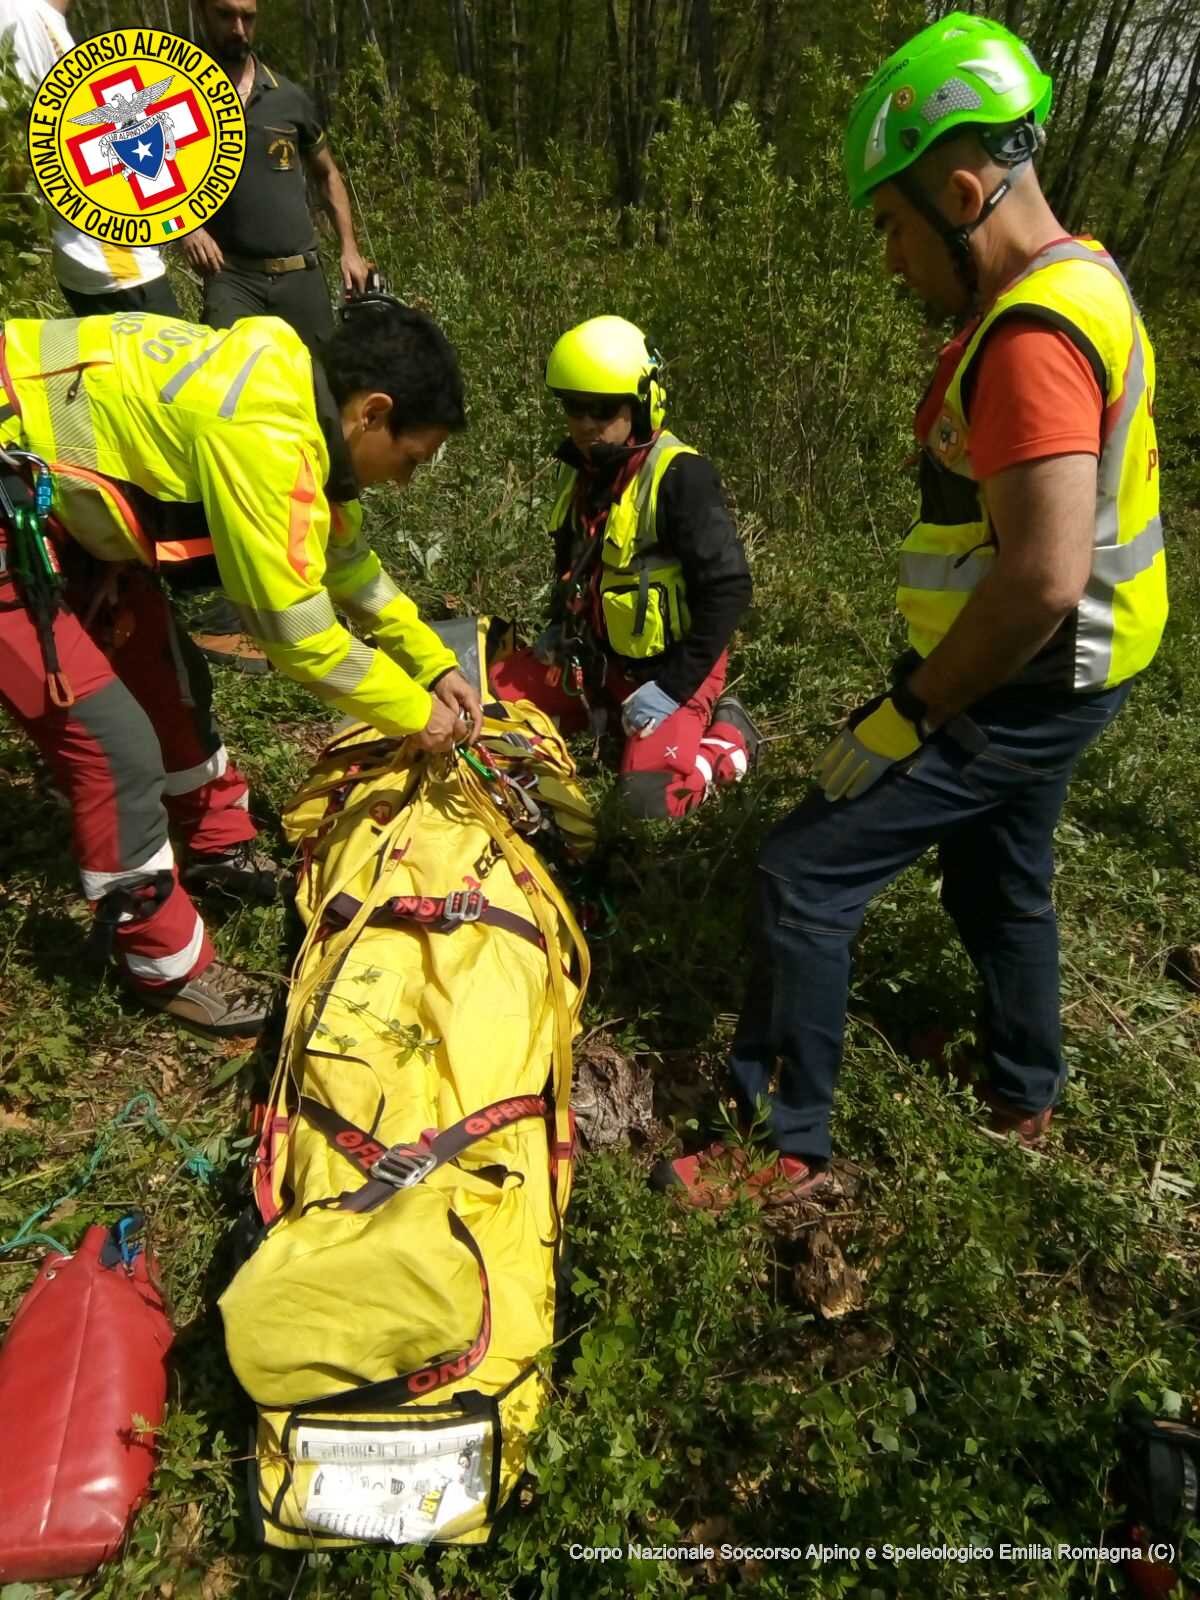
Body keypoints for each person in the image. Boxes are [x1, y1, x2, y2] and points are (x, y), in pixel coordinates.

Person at [652, 12, 1168, 1205]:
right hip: (1089, 663)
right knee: (1001, 872)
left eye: (892, 225)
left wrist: (913, 711)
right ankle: (1019, 1087)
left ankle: (778, 1144)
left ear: (965, 189)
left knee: (805, 868)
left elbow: (1037, 577)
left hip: (1022, 672)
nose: (890, 260)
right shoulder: (1083, 277)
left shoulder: (1032, 338)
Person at [0, 296, 482, 1037]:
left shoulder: (298, 399)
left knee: (166, 676)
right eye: (410, 459)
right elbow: (299, 635)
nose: (404, 481)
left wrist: (432, 664)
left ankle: (217, 844)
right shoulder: (264, 434)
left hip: (50, 499)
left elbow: (349, 566)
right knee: (112, 742)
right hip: (16, 505)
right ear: (372, 412)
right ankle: (160, 963)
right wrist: (418, 717)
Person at [490, 315, 758, 819]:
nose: (587, 423)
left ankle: (726, 743)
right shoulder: (584, 472)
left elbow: (729, 589)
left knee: (646, 806)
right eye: (574, 408)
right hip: (593, 662)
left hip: (671, 671)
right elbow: (574, 561)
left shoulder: (681, 477)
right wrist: (556, 625)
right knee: (482, 700)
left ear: (640, 405)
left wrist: (672, 687)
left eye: (603, 409)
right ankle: (611, 719)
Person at [181, 0, 371, 672]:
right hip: (233, 280)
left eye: (248, 17)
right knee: (229, 421)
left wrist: (349, 248)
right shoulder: (180, 95)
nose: (238, 29)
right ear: (203, 14)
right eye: (226, 16)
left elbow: (328, 175)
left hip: (300, 280)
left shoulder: (287, 96)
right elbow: (141, 173)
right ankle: (240, 592)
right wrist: (185, 227)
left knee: (327, 414)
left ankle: (340, 564)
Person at [0, 0, 180, 317]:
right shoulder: (21, 14)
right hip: (110, 261)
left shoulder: (48, 22)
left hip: (118, 254)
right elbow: (15, 144)